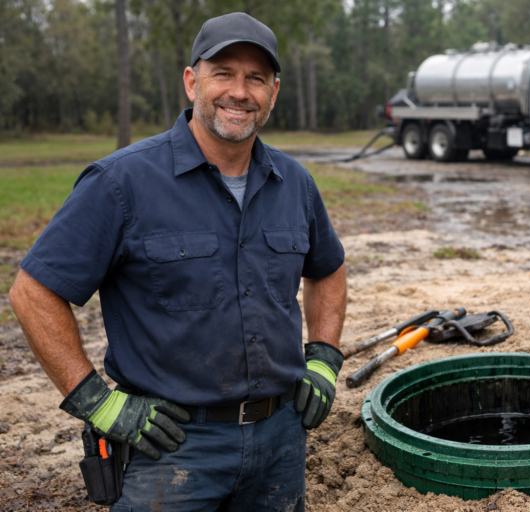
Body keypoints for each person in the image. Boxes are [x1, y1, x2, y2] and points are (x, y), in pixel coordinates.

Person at [8, 12, 346, 511]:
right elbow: (33, 292)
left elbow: (328, 269)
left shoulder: (294, 183)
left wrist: (324, 357)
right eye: (223, 73)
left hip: (281, 441)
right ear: (192, 82)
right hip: (170, 449)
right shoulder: (121, 183)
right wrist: (95, 402)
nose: (240, 91)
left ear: (273, 92)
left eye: (256, 78)